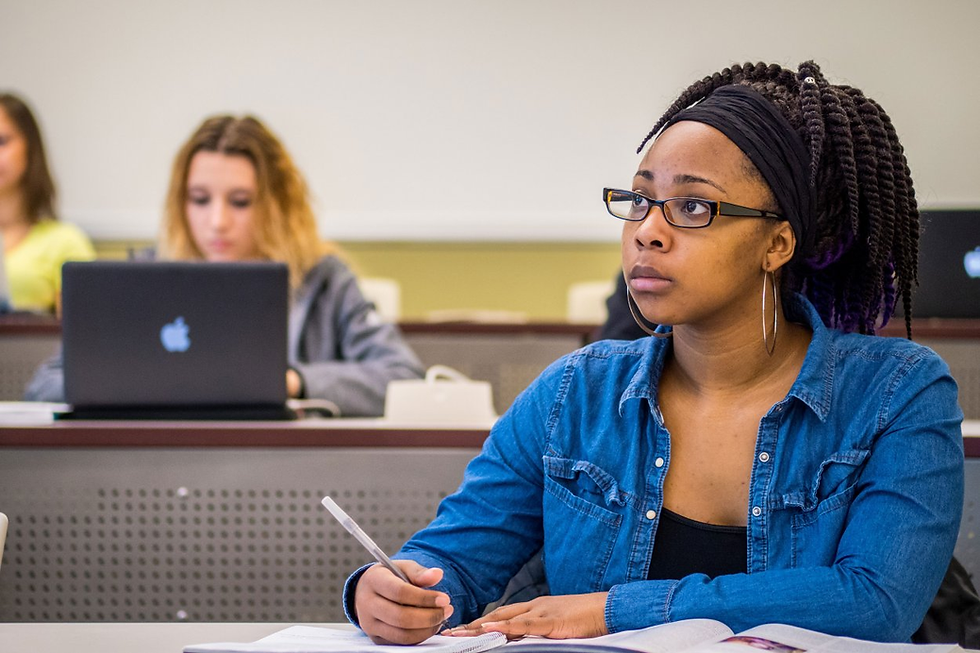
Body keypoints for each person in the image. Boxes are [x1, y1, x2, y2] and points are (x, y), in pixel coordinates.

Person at [344, 61, 964, 644]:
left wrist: (614, 611)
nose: (647, 230)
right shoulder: (573, 395)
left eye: (692, 206)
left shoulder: (898, 392)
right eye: (640, 200)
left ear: (777, 243)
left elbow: (876, 601)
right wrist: (395, 591)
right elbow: (453, 559)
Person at [25, 115, 424, 416]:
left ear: (276, 204)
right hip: (155, 469)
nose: (217, 221)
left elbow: (403, 376)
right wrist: (139, 379)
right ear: (180, 203)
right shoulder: (141, 280)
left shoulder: (324, 279)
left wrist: (295, 381)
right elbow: (44, 385)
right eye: (200, 199)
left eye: (240, 201)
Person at [0, 93, 95, 313]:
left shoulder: (65, 241)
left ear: (30, 146)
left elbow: (83, 331)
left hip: (36, 347)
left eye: (2, 141)